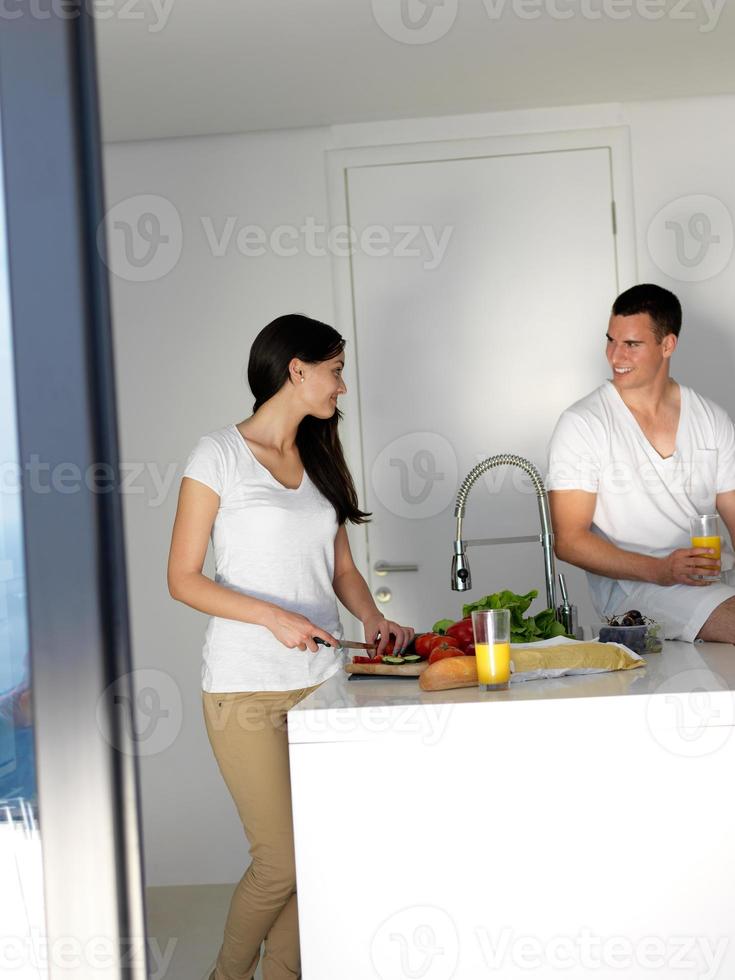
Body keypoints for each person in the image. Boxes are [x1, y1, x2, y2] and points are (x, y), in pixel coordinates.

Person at [167, 313, 414, 980]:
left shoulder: (320, 458)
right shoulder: (215, 454)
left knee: (323, 852)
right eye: (334, 370)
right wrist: (271, 618)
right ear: (294, 369)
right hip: (243, 686)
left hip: (321, 684)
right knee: (282, 859)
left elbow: (341, 571)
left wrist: (374, 617)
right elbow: (182, 579)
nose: (341, 385)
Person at [547, 283, 735, 643]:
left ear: (668, 345)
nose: (616, 356)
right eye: (611, 340)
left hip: (718, 585)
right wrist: (662, 570)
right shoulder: (584, 423)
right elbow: (569, 541)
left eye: (632, 344)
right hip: (638, 590)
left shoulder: (711, 418)